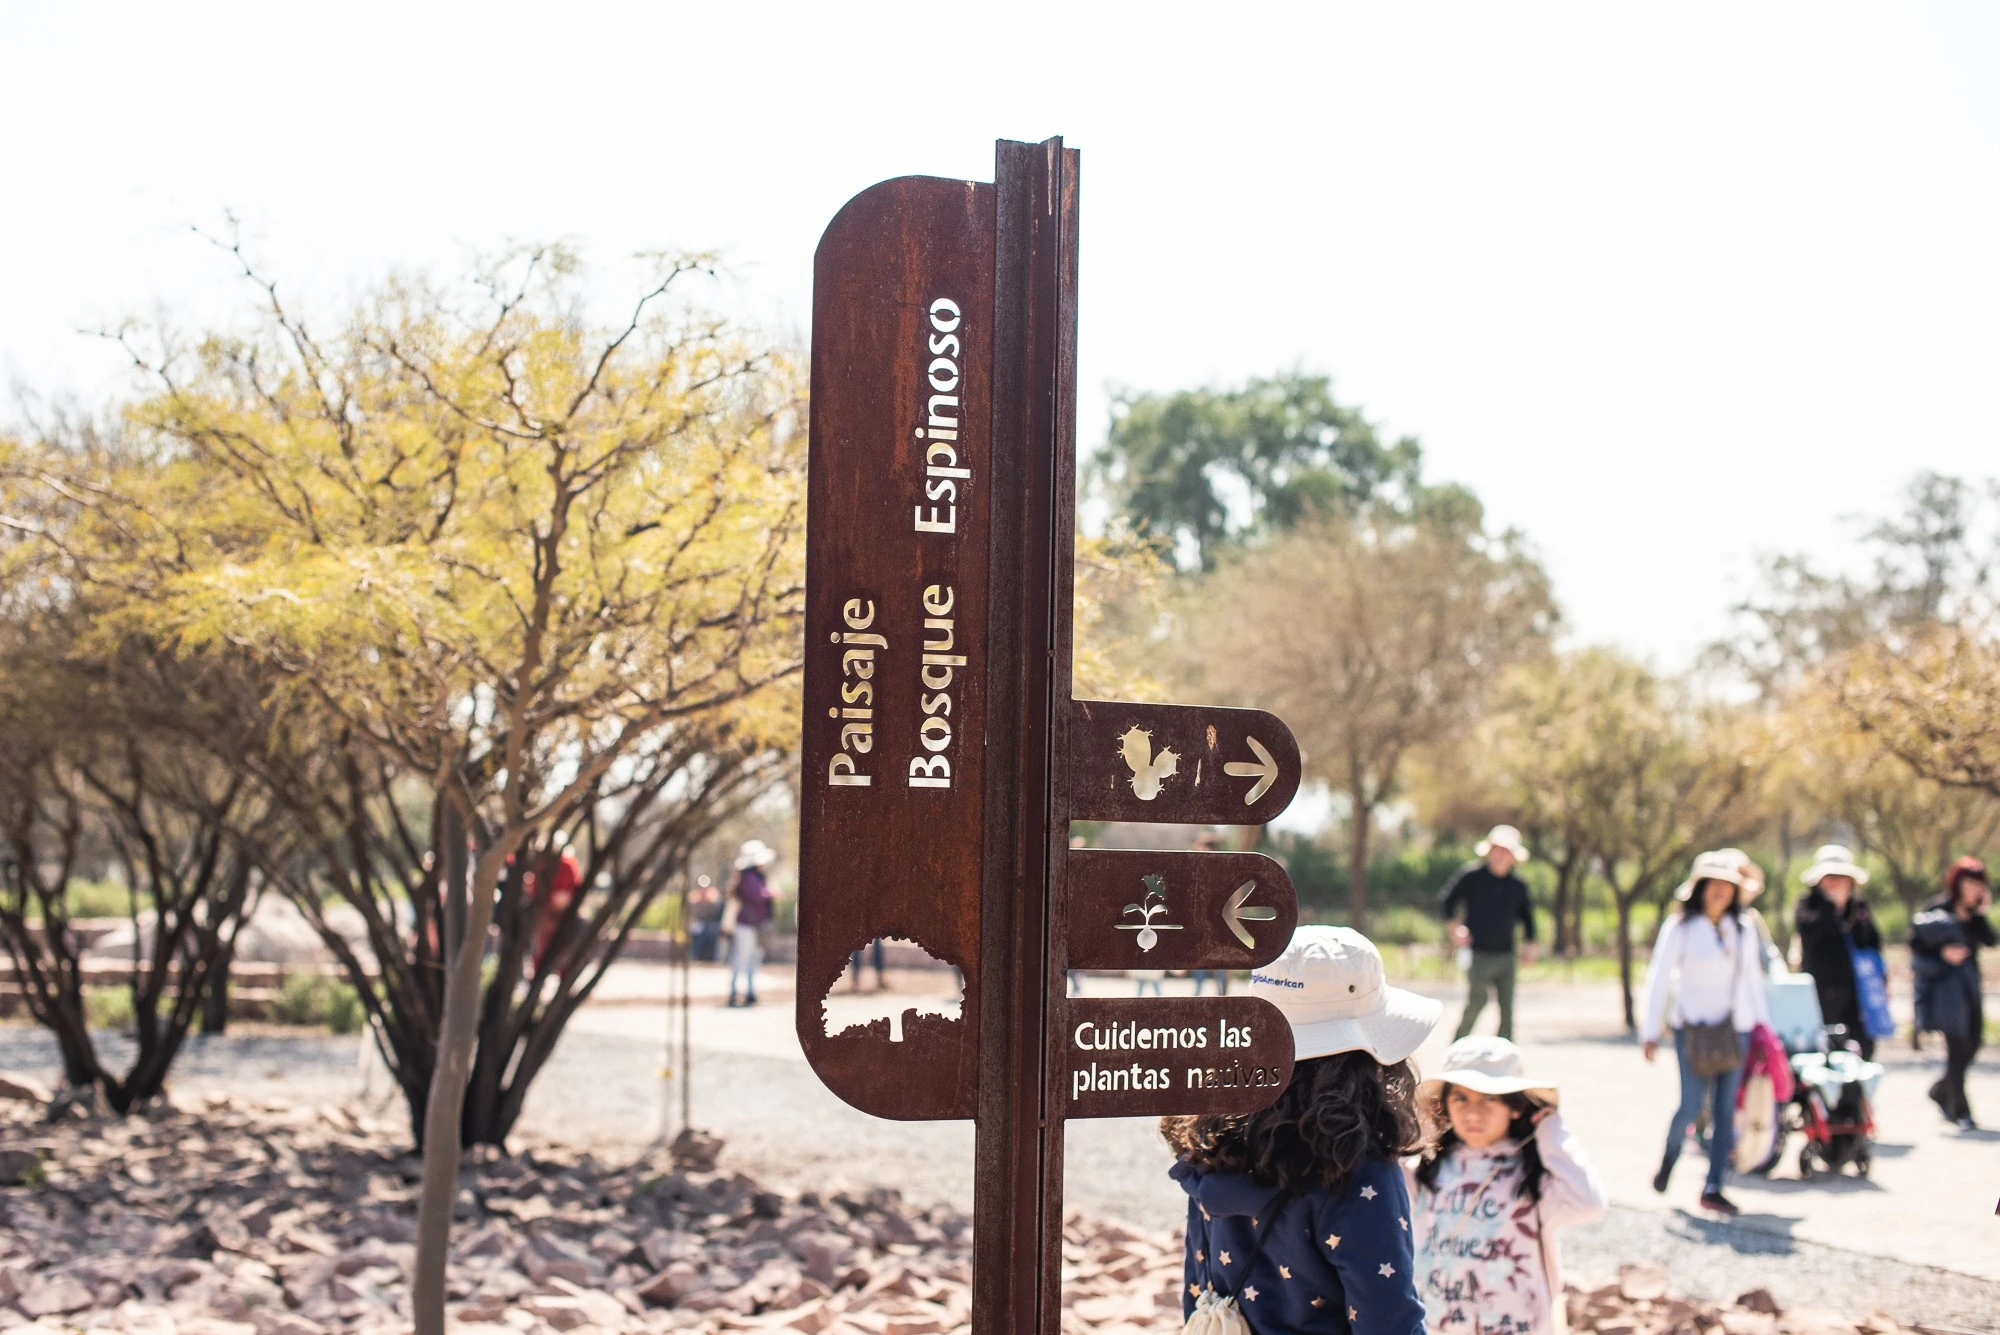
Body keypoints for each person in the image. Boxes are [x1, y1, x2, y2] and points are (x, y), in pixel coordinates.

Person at [1165, 925, 1440, 1335]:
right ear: (1368, 1059)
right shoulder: (1357, 1171)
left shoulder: (1213, 1144)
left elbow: (1199, 1293)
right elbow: (1389, 1321)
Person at [1407, 1036, 1607, 1334]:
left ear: (1516, 1107)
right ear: (1444, 1106)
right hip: (1442, 1322)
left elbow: (1589, 1204)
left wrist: (1551, 1131)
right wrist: (1425, 1128)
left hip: (1515, 1325)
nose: (1473, 1113)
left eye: (1489, 1098)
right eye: (1460, 1098)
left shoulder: (1533, 1174)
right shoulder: (1427, 1170)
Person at [1639, 850, 1770, 1216]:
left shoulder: (1742, 928)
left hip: (1734, 1030)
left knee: (1727, 1110)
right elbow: (1659, 978)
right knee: (1692, 1105)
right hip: (1692, 1031)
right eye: (1713, 885)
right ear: (1700, 888)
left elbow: (1751, 981)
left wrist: (1762, 1029)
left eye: (1727, 886)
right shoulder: (1681, 926)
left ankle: (1713, 1186)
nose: (1719, 892)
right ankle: (1669, 1158)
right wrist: (1650, 1030)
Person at [1912, 856, 1996, 1131]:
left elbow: (1991, 939)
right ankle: (1960, 1109)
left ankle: (1941, 1089)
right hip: (1946, 991)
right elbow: (1916, 945)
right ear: (1957, 882)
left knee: (1973, 1043)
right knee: (1957, 1049)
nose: (1973, 888)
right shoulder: (1938, 908)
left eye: (1978, 883)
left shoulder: (1973, 915)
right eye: (1970, 882)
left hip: (1970, 987)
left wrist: (1981, 911)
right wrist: (1942, 953)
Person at [1439, 825, 1537, 1041]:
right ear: (1489, 851)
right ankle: (1457, 1048)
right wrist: (1454, 929)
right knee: (1477, 1002)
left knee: (1507, 1008)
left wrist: (1531, 944)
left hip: (1507, 955)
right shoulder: (1472, 876)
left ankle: (1505, 1056)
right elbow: (1447, 901)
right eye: (1497, 849)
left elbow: (1528, 917)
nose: (1500, 856)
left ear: (1513, 856)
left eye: (1506, 851)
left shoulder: (1517, 885)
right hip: (1479, 953)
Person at [1793, 844, 1883, 1060]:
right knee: (1828, 1049)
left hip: (1857, 992)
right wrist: (1830, 908)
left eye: (1841, 877)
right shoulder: (1808, 905)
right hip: (1823, 991)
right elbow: (1811, 934)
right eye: (1830, 877)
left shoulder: (1859, 906)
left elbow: (1870, 942)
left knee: (1863, 1049)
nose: (1836, 883)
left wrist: (1847, 911)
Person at [727, 839, 777, 1007]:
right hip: (746, 924)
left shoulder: (754, 876)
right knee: (742, 958)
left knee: (752, 959)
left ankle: (749, 991)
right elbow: (757, 896)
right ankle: (734, 991)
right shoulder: (748, 877)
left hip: (754, 924)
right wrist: (771, 894)